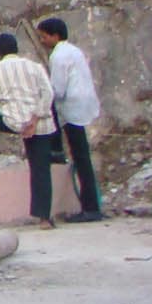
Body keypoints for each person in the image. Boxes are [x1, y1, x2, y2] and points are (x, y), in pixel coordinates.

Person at [0, 32, 58, 229]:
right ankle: (44, 218)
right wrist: (35, 117)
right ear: (16, 48)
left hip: (12, 121)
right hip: (40, 124)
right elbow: (49, 93)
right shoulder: (35, 67)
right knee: (41, 168)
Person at [37, 17, 105, 223]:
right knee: (83, 156)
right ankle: (92, 205)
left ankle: (91, 208)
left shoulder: (58, 56)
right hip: (84, 105)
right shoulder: (74, 51)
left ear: (55, 36)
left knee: (81, 157)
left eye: (44, 37)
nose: (42, 41)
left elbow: (57, 90)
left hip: (72, 109)